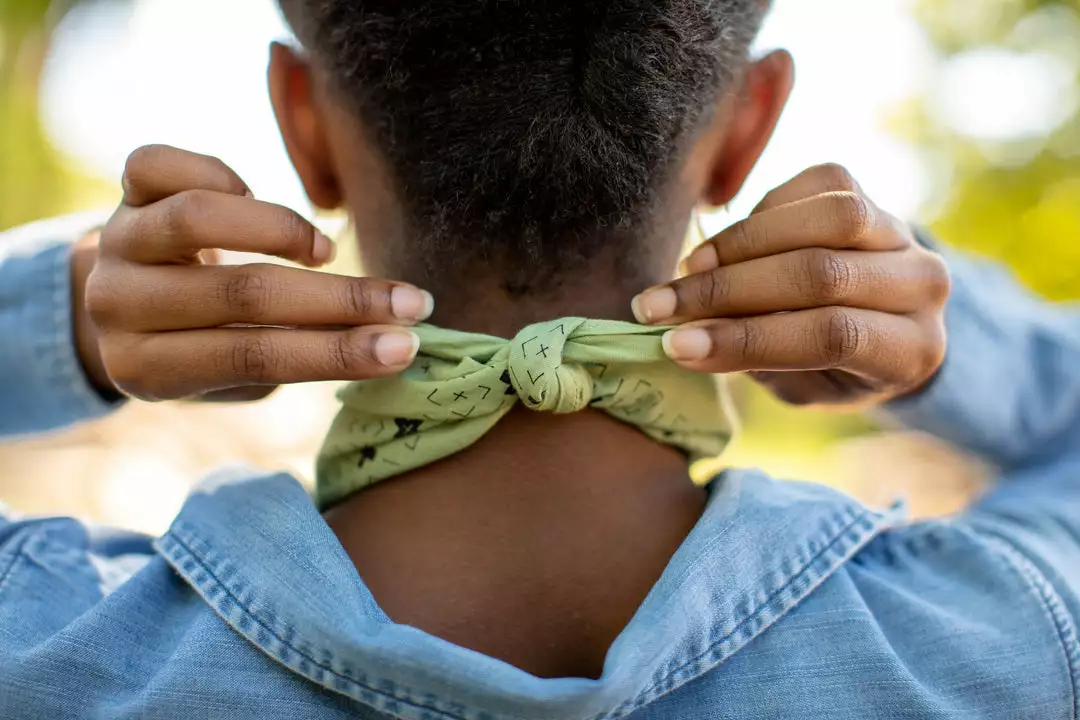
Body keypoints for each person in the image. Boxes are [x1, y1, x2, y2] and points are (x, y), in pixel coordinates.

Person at [1, 1, 1078, 717]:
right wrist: (940, 336)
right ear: (748, 127)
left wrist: (72, 315)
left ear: (303, 123)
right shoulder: (1014, 638)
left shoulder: (45, 647)